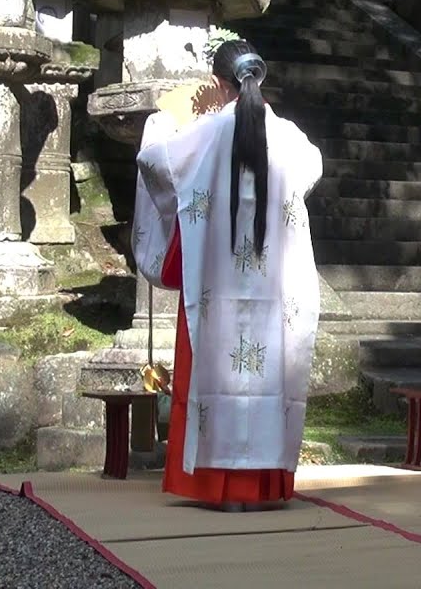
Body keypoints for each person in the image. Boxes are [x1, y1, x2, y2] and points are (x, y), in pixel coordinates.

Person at [133, 39, 323, 512]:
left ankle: (214, 486)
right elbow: (313, 167)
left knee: (213, 372)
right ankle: (261, 486)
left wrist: (166, 125)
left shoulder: (204, 131)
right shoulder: (289, 136)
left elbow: (154, 165)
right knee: (267, 375)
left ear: (219, 83)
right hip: (272, 283)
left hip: (214, 278)